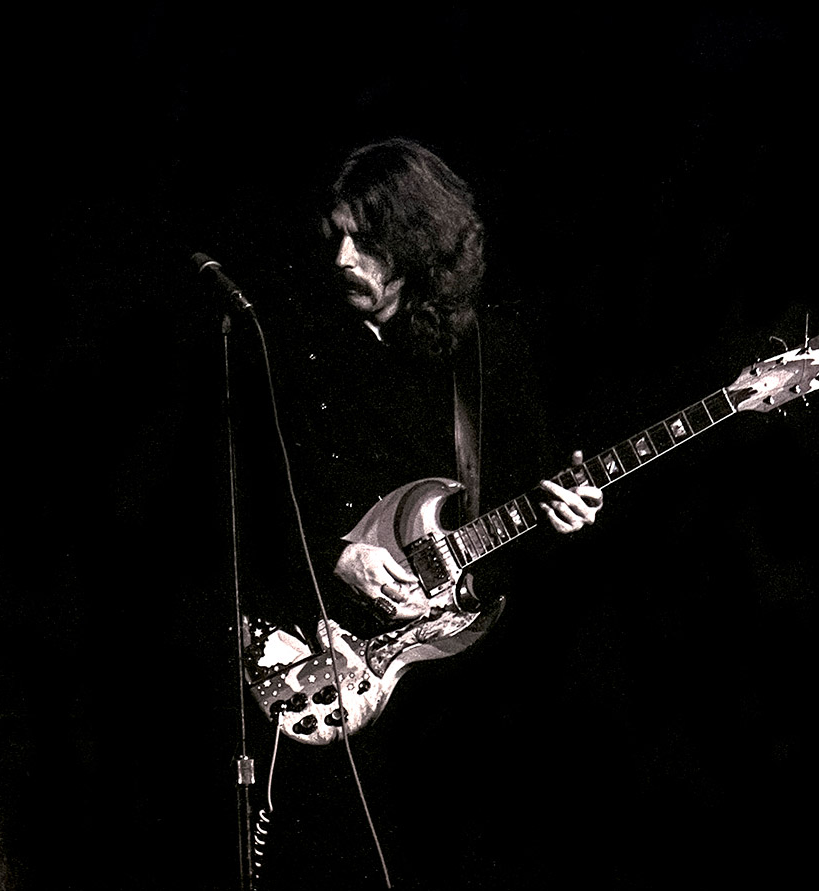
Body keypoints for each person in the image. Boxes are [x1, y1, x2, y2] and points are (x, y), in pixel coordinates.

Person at [238, 138, 606, 889]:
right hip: (326, 664)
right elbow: (246, 504)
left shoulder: (484, 351)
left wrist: (565, 516)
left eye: (366, 241)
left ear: (415, 242)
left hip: (456, 699)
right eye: (335, 234)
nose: (343, 257)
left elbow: (526, 509)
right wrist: (336, 550)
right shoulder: (291, 345)